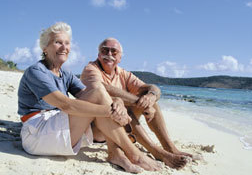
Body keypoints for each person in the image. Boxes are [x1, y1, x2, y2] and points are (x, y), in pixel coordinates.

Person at [18, 22, 161, 173]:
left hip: (57, 126)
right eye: (58, 42)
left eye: (67, 43)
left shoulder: (65, 74)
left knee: (99, 92)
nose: (64, 47)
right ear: (45, 48)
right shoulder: (37, 71)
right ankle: (133, 153)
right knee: (100, 97)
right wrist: (112, 111)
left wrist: (117, 102)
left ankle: (116, 154)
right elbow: (66, 105)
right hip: (37, 133)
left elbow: (92, 94)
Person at [81, 37, 192, 170]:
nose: (109, 54)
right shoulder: (91, 69)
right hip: (97, 130)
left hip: (119, 125)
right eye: (105, 50)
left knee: (151, 102)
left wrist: (151, 96)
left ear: (120, 58)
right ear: (99, 54)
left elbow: (152, 88)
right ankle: (157, 152)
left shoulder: (122, 73)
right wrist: (139, 103)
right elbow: (103, 88)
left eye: (114, 52)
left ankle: (169, 147)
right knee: (124, 105)